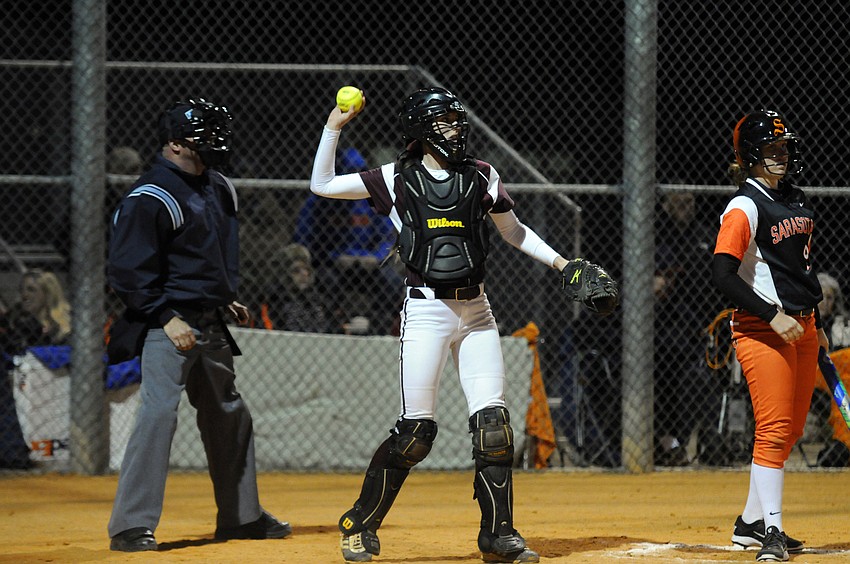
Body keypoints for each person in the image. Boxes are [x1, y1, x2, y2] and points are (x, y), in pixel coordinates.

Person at [310, 87, 604, 564]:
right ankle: (358, 522)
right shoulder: (396, 177)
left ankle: (498, 535)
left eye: (455, 121)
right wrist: (334, 127)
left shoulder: (482, 175)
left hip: (477, 311)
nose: (455, 130)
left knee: (494, 426)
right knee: (415, 435)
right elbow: (321, 185)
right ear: (422, 130)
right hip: (425, 311)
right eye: (444, 122)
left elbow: (514, 232)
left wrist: (562, 263)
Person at [106, 98, 290, 552]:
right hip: (166, 324)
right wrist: (165, 317)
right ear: (173, 144)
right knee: (157, 416)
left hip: (210, 321)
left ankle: (241, 517)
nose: (215, 143)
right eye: (203, 136)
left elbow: (208, 254)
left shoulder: (219, 186)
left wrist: (225, 296)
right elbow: (128, 272)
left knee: (230, 414)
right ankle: (131, 526)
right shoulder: (150, 197)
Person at [712, 109, 828, 562]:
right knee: (775, 428)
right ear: (749, 157)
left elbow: (799, 270)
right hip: (762, 328)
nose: (781, 155)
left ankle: (749, 523)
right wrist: (770, 313)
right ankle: (773, 532)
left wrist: (814, 326)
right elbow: (722, 273)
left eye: (784, 147)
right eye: (771, 150)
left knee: (794, 428)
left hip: (803, 325)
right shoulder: (744, 206)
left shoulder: (795, 199)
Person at [653, 191, 722, 465]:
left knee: (696, 384)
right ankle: (667, 443)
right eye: (678, 201)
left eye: (690, 201)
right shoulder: (656, 236)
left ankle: (693, 441)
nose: (685, 206)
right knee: (663, 386)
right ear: (666, 205)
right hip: (662, 329)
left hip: (696, 325)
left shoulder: (704, 236)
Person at [261, 243, 333, 332]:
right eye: (296, 270)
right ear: (286, 274)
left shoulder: (319, 300)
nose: (304, 274)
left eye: (306, 269)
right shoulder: (276, 300)